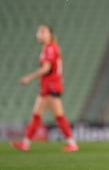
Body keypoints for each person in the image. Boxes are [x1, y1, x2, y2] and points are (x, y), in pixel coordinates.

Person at [11, 24, 78, 152]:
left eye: (43, 32)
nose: (40, 34)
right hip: (49, 86)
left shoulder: (50, 49)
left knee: (51, 116)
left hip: (51, 86)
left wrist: (29, 78)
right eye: (39, 32)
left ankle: (72, 143)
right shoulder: (48, 48)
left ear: (50, 35)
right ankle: (26, 143)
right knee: (42, 115)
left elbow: (46, 69)